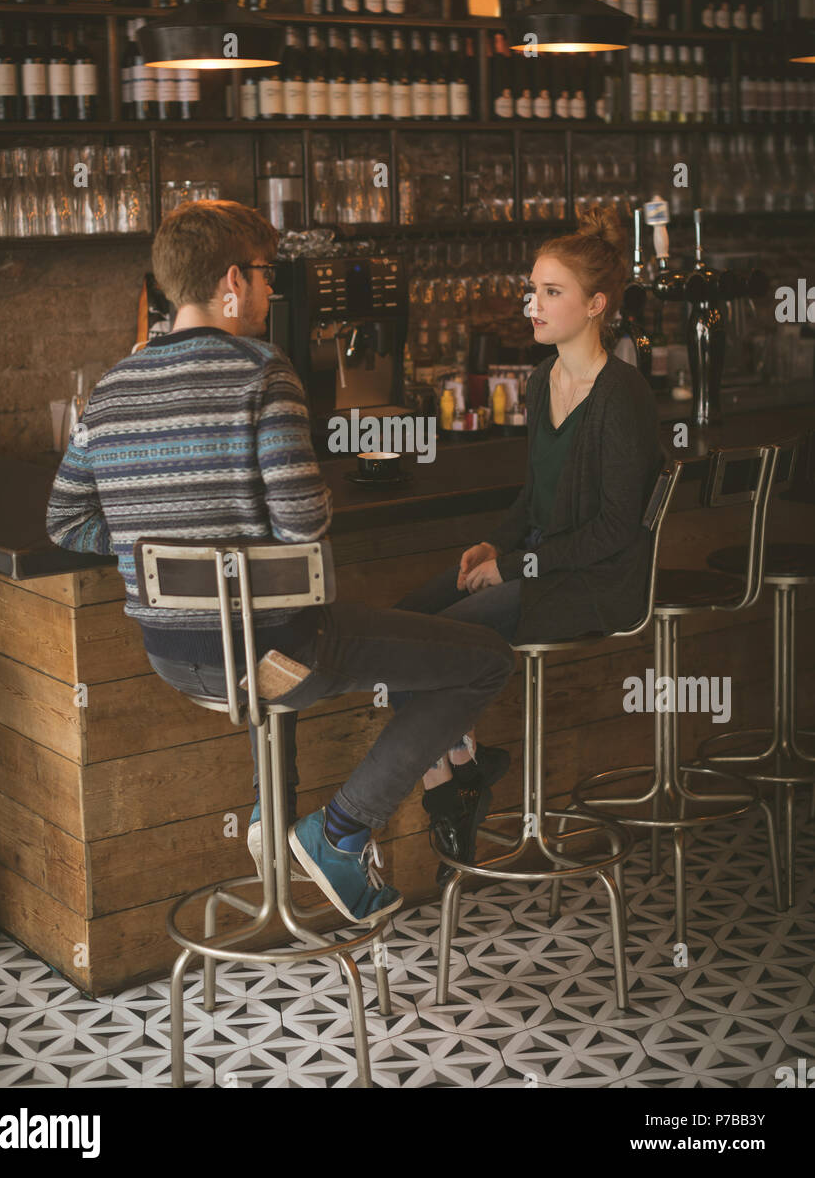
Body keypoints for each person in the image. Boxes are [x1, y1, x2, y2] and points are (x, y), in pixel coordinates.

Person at [45, 200, 516, 929]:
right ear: (232, 280)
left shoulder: (111, 389)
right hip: (281, 657)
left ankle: (276, 807)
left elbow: (67, 521)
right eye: (267, 276)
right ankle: (340, 834)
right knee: (483, 660)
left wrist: (154, 539)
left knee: (369, 626)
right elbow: (303, 521)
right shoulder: (264, 371)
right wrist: (239, 528)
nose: (272, 293)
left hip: (174, 659)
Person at [389, 203, 668, 871]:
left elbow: (613, 529)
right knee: (399, 625)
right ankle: (463, 760)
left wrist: (517, 566)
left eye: (550, 292)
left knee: (436, 639)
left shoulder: (621, 394)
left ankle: (448, 796)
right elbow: (532, 496)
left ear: (596, 303)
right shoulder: (543, 379)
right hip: (540, 567)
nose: (531, 306)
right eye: (532, 290)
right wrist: (494, 547)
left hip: (593, 585)